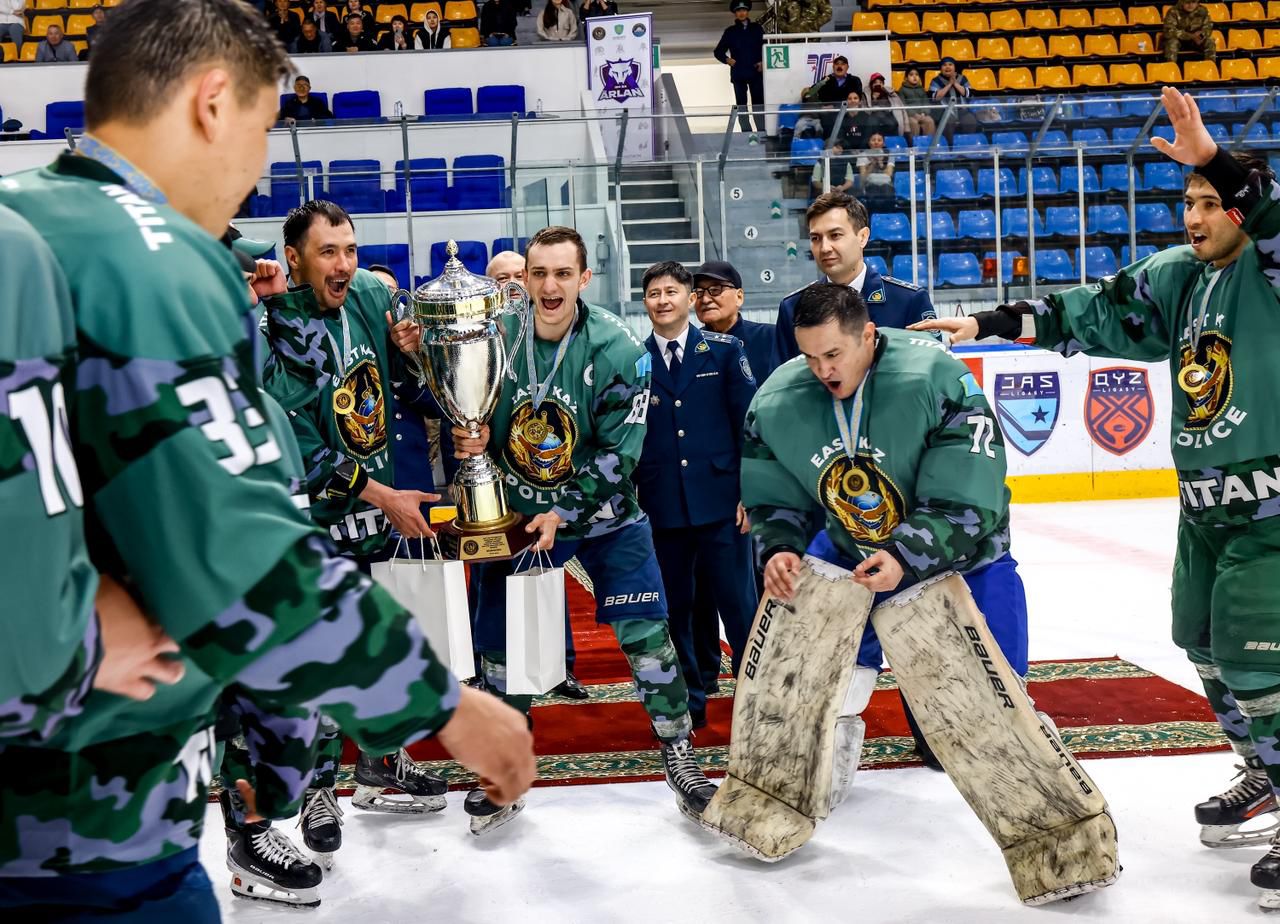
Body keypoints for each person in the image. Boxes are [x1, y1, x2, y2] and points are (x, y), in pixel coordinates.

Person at [0, 2, 535, 917]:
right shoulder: (150, 253)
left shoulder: (19, 219)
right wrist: (444, 706)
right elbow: (236, 552)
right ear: (213, 102)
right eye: (261, 128)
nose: (253, 174)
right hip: (90, 825)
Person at [911, 85, 1280, 913]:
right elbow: (1096, 312)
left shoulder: (1272, 265)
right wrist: (988, 323)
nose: (1193, 215)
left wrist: (1214, 155)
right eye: (1186, 200)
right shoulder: (1181, 277)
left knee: (1263, 661)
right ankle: (1265, 771)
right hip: (1207, 510)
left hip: (1275, 513)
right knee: (1204, 643)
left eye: (1211, 202)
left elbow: (1269, 208)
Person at [434, 226, 719, 829]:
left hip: (605, 518)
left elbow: (620, 453)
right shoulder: (497, 337)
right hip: (516, 517)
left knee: (646, 635)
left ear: (584, 279)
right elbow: (474, 409)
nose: (549, 285)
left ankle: (680, 756)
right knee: (501, 651)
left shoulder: (619, 349)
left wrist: (562, 510)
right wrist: (473, 436)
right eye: (539, 273)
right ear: (525, 280)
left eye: (563, 273)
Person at [744, 282, 1030, 781]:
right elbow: (774, 496)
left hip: (966, 557)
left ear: (868, 335)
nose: (823, 371)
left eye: (833, 354)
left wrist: (904, 556)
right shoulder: (776, 400)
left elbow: (968, 497)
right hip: (857, 556)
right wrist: (780, 547)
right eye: (809, 357)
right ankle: (819, 760)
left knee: (997, 702)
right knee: (829, 678)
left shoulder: (936, 376)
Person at [262, 200, 462, 842]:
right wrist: (384, 495)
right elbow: (299, 443)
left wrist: (411, 354)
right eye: (329, 252)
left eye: (350, 249)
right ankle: (321, 792)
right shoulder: (273, 324)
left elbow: (404, 395)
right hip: (318, 520)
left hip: (377, 518)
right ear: (295, 259)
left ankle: (379, 764)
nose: (345, 263)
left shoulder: (372, 299)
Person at [634, 262, 758, 730]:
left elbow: (749, 426)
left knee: (739, 605)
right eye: (653, 293)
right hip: (662, 507)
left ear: (689, 298)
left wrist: (751, 491)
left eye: (671, 291)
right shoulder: (635, 358)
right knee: (677, 610)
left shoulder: (725, 352)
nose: (663, 300)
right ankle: (691, 700)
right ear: (644, 303)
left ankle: (756, 697)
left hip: (724, 504)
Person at [773, 192, 937, 367]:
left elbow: (933, 373)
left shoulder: (908, 301)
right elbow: (782, 385)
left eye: (835, 235)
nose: (825, 247)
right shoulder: (792, 307)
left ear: (863, 237)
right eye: (816, 238)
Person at [693, 259, 776, 384]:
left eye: (715, 290)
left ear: (739, 297)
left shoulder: (770, 338)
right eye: (699, 292)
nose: (705, 299)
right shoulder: (690, 345)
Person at [714, 0, 766, 137]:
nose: (741, 13)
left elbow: (766, 46)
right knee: (742, 106)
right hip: (739, 74)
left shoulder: (757, 28)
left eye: (743, 10)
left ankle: (762, 133)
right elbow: (718, 51)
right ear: (735, 14)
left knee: (758, 105)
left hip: (756, 72)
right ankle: (746, 135)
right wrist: (727, 60)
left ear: (747, 11)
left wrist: (762, 61)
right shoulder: (730, 32)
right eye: (738, 11)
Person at [929, 57, 978, 136]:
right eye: (944, 65)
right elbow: (935, 97)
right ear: (941, 68)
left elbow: (968, 94)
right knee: (947, 122)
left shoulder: (962, 78)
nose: (947, 67)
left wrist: (955, 83)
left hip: (961, 110)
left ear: (954, 67)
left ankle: (966, 144)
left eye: (950, 64)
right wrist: (949, 85)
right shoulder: (936, 80)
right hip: (944, 111)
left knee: (970, 120)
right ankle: (949, 146)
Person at [896, 66, 936, 141]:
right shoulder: (902, 90)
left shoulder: (921, 89)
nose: (914, 77)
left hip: (922, 114)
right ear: (906, 78)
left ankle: (928, 145)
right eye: (911, 75)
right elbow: (903, 105)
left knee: (930, 121)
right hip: (910, 115)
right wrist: (914, 114)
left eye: (917, 75)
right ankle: (914, 145)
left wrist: (924, 113)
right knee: (913, 123)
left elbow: (926, 103)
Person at [858, 132, 895, 206]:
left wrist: (880, 162)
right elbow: (863, 177)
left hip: (886, 185)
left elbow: (889, 174)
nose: (876, 142)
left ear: (883, 143)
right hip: (870, 185)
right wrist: (873, 164)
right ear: (869, 142)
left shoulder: (889, 154)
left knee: (887, 191)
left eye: (879, 140)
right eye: (873, 140)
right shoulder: (862, 155)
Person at [865, 72, 906, 139]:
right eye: (875, 82)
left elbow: (901, 106)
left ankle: (892, 143)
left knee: (893, 124)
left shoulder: (889, 93)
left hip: (888, 114)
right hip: (874, 115)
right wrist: (874, 99)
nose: (878, 84)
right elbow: (866, 109)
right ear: (871, 85)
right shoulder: (867, 95)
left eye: (880, 82)